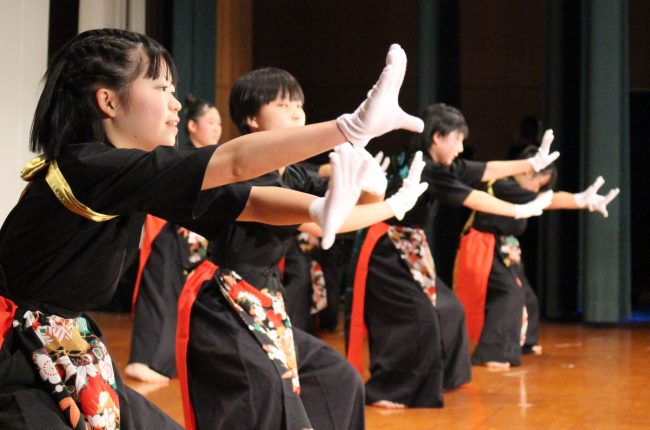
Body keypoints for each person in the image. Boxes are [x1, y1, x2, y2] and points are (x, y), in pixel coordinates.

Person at [0, 29, 424, 429]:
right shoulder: (87, 166)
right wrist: (348, 128)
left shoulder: (131, 178)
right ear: (108, 101)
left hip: (63, 346)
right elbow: (235, 163)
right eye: (161, 88)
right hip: (17, 357)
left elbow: (249, 201)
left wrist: (319, 207)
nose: (175, 105)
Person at [175, 66, 427, 430]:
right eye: (283, 105)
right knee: (265, 396)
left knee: (338, 379)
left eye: (299, 105)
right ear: (252, 118)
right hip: (223, 303)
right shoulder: (243, 171)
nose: (296, 113)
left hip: (264, 294)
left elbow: (349, 213)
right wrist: (394, 205)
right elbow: (326, 220)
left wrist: (374, 187)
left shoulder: (292, 172)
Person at [347, 103, 558, 409]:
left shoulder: (438, 165)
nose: (461, 147)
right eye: (457, 139)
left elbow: (485, 169)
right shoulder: (426, 167)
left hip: (409, 247)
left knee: (449, 310)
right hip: (385, 251)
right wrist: (519, 209)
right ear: (437, 137)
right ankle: (387, 389)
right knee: (417, 317)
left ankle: (446, 376)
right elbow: (474, 197)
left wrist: (530, 164)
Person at [454, 145, 619, 369]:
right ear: (526, 172)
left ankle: (525, 342)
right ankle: (493, 353)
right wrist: (580, 200)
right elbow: (547, 200)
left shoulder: (514, 188)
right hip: (482, 244)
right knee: (508, 293)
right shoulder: (502, 184)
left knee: (525, 295)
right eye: (537, 183)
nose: (536, 189)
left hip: (504, 245)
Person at [125, 95, 220, 383]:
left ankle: (176, 359)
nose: (217, 128)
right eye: (210, 122)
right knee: (160, 293)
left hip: (197, 240)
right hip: (170, 233)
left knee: (189, 298)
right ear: (192, 126)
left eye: (219, 123)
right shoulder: (183, 154)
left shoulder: (215, 157)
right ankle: (145, 360)